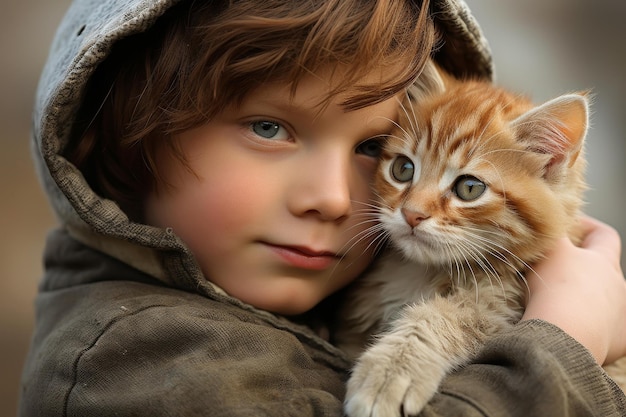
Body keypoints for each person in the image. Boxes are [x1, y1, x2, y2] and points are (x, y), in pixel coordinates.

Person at [19, 0, 626, 415]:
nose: (334, 199)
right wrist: (564, 339)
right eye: (267, 127)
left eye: (370, 147)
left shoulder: (297, 290)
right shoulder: (133, 359)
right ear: (121, 135)